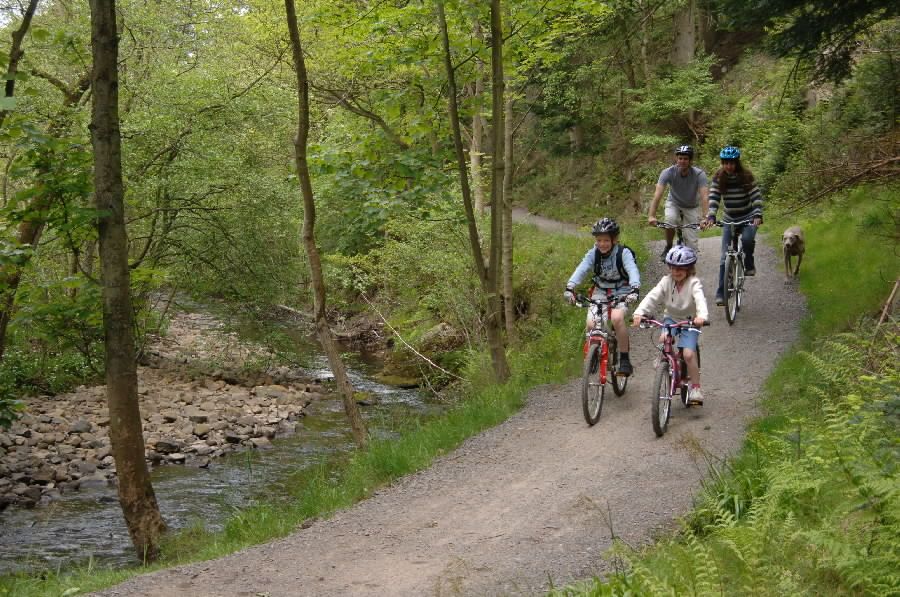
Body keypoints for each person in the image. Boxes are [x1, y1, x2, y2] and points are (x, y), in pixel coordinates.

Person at [631, 245, 709, 405]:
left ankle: (695, 388)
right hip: (672, 318)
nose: (676, 272)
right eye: (673, 268)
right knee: (663, 337)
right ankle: (664, 357)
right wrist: (639, 313)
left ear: (689, 268)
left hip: (690, 321)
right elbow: (653, 296)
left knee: (688, 354)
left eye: (681, 268)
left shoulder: (694, 283)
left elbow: (700, 300)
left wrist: (702, 316)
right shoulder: (666, 281)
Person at [564, 217, 640, 376]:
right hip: (601, 290)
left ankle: (625, 359)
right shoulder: (594, 253)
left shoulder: (623, 253)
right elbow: (582, 268)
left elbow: (632, 270)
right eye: (599, 240)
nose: (602, 244)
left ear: (614, 239)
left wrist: (634, 289)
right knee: (591, 324)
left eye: (606, 240)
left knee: (617, 318)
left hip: (623, 290)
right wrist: (570, 287)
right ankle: (594, 353)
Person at [704, 145, 764, 305]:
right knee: (724, 258)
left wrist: (757, 214)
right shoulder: (718, 177)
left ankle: (749, 262)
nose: (728, 166)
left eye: (731, 163)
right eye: (725, 163)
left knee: (747, 240)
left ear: (737, 163)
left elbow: (756, 196)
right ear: (722, 163)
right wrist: (711, 215)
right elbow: (714, 197)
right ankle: (722, 293)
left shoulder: (746, 176)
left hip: (748, 217)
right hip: (729, 218)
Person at [647, 145, 709, 258]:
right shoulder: (668, 172)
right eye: (680, 158)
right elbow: (658, 194)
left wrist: (705, 217)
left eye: (685, 159)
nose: (682, 161)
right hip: (674, 203)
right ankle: (669, 245)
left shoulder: (699, 174)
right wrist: (652, 215)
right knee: (670, 220)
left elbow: (705, 196)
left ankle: (690, 268)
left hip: (691, 206)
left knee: (692, 244)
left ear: (690, 160)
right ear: (676, 159)